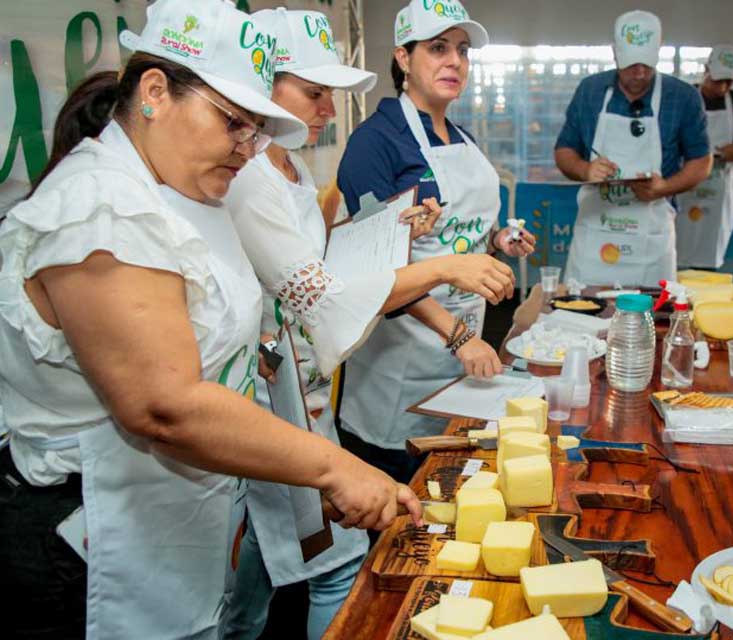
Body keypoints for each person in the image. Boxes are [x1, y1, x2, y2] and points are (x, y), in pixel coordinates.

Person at [0, 1, 421, 638]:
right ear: (153, 93)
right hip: (88, 542)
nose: (246, 148)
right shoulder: (98, 209)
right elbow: (164, 405)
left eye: (256, 130)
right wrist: (335, 467)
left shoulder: (182, 189)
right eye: (233, 123)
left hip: (170, 519)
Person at [219, 8, 515, 638]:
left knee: (263, 562)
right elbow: (322, 294)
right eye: (314, 93)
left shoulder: (292, 169)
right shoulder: (260, 177)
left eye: (462, 49)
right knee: (326, 558)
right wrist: (445, 276)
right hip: (299, 380)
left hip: (307, 379)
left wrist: (393, 231)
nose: (328, 109)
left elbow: (334, 253)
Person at [335, 0, 535, 485]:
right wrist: (460, 336)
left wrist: (497, 239)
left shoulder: (460, 136)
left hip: (462, 358)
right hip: (400, 364)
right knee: (400, 508)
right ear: (403, 58)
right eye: (438, 48)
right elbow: (373, 272)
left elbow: (456, 235)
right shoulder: (374, 144)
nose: (455, 62)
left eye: (463, 51)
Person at [554, 10, 711, 287]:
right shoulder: (590, 91)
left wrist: (663, 188)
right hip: (595, 237)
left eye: (646, 64)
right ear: (615, 53)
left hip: (650, 239)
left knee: (653, 317)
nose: (639, 73)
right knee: (579, 315)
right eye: (630, 65)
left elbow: (701, 161)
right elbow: (564, 150)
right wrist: (585, 168)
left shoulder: (683, 97)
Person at [675, 45, 733, 269]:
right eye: (718, 80)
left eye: (729, 82)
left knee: (710, 250)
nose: (723, 87)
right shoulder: (684, 99)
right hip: (682, 185)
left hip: (718, 190)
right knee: (676, 249)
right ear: (706, 70)